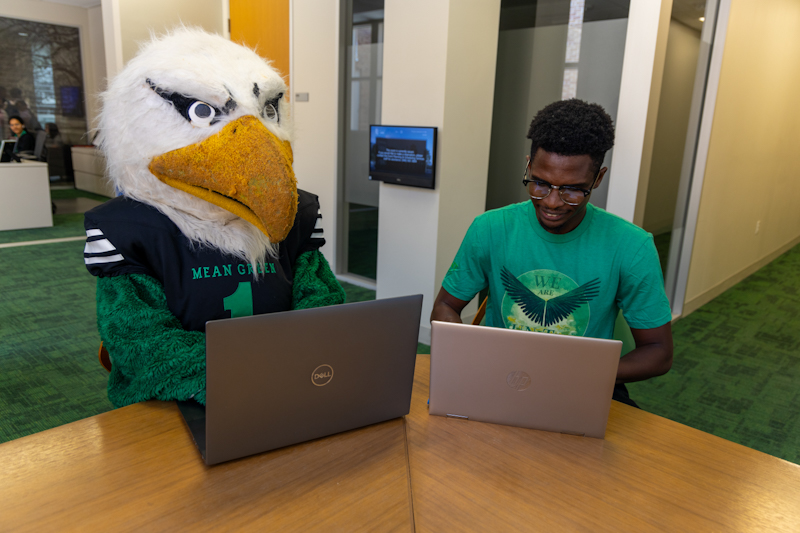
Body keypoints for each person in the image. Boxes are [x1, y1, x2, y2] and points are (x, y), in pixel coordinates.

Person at [430, 98, 673, 407]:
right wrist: (476, 358)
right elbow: (444, 308)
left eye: (572, 189)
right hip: (502, 376)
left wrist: (580, 375)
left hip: (583, 383)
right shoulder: (490, 228)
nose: (552, 202)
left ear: (597, 179)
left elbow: (658, 352)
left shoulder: (631, 246)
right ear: (529, 165)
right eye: (540, 184)